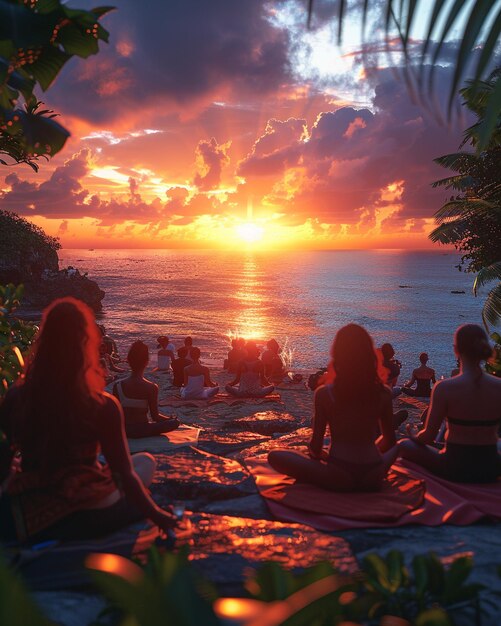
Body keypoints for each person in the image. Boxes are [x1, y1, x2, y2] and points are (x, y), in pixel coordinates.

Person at [0, 298, 177, 544]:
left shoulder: (16, 397)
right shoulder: (101, 405)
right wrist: (158, 515)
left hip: (33, 508)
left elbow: (5, 464)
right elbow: (124, 475)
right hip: (89, 509)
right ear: (86, 344)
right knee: (144, 464)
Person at [268, 324, 397, 491]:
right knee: (402, 446)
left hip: (339, 474)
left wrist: (322, 456)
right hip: (374, 473)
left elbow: (315, 447)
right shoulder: (384, 393)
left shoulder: (325, 394)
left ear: (338, 354)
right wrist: (368, 458)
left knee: (275, 456)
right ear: (369, 354)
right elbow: (390, 441)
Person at [399, 324, 501, 483]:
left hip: (454, 466)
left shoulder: (444, 388)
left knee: (404, 445)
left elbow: (427, 437)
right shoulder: (498, 386)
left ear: (456, 350)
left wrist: (413, 433)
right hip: (491, 467)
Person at [113, 341, 180, 439]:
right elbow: (155, 417)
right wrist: (170, 419)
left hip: (125, 430)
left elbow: (115, 415)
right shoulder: (151, 387)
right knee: (175, 423)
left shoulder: (117, 386)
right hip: (143, 430)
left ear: (128, 360)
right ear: (146, 362)